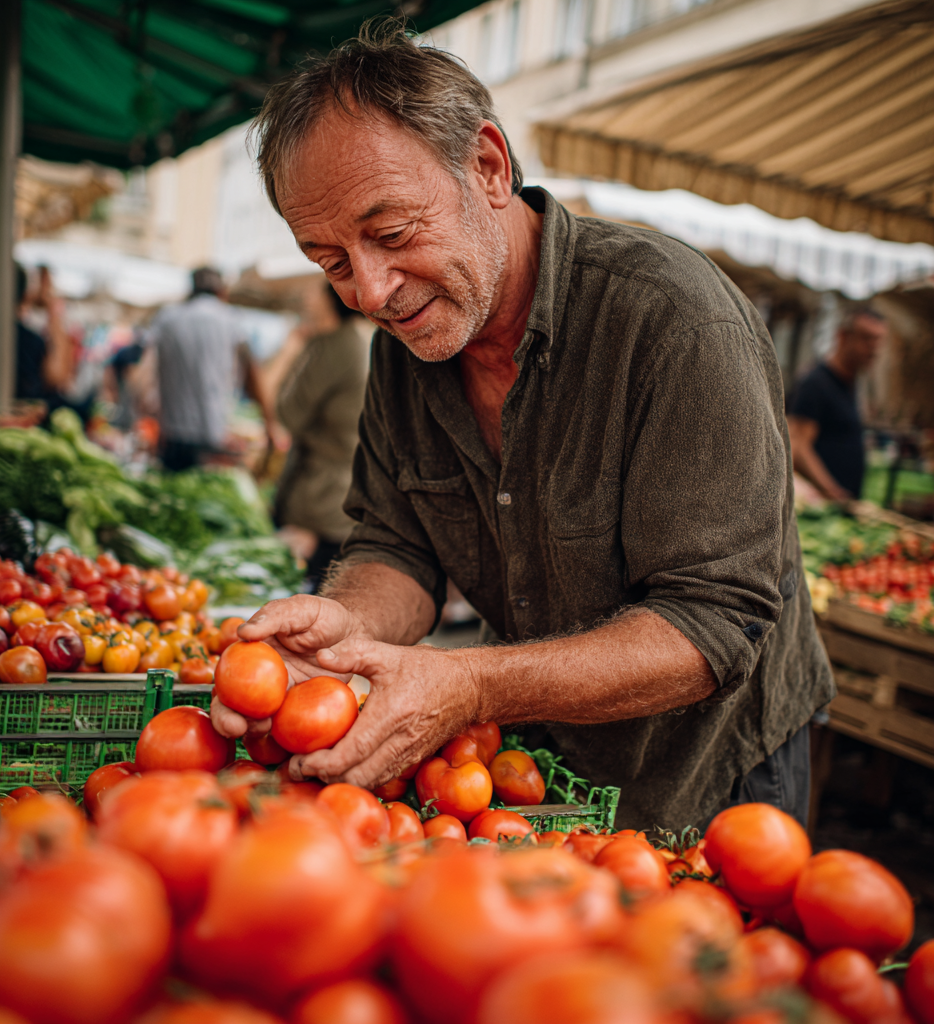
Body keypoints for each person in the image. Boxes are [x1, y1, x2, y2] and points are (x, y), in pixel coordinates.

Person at [210, 22, 834, 830]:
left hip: (712, 771)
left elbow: (713, 622)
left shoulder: (674, 322)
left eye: (392, 235)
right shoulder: (406, 347)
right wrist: (347, 624)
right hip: (537, 762)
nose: (369, 291)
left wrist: (473, 684)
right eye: (330, 262)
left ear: (489, 167)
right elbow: (398, 545)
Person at [274, 282, 370, 591]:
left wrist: (290, 350)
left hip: (320, 501)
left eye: (314, 290)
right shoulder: (355, 339)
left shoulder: (338, 345)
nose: (306, 295)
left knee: (306, 596)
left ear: (332, 297)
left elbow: (288, 413)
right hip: (336, 494)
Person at [147, 266, 270, 472]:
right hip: (214, 435)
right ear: (222, 291)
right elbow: (251, 373)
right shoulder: (231, 319)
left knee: (173, 489)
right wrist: (269, 423)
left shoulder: (166, 319)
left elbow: (147, 373)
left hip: (172, 436)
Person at [787, 308, 887, 501]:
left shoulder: (852, 384)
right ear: (842, 336)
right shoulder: (816, 383)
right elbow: (798, 446)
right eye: (867, 338)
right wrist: (832, 491)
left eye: (878, 340)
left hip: (842, 503)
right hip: (819, 504)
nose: (873, 348)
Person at [0, 263, 73, 406]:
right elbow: (56, 377)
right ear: (24, 294)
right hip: (26, 413)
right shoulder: (32, 340)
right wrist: (52, 312)